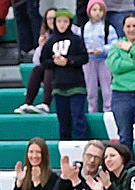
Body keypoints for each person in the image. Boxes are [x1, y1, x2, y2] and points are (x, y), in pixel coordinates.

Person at [108, 13, 135, 171]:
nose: (132, 29)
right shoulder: (116, 45)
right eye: (128, 26)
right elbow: (115, 66)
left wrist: (130, 49)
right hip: (121, 96)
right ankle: (127, 172)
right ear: (123, 28)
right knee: (124, 138)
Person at [41, 9, 90, 140]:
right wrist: (54, 62)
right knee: (63, 121)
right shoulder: (50, 42)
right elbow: (43, 61)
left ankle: (83, 145)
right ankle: (66, 148)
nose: (62, 24)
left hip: (76, 85)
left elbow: (84, 57)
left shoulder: (76, 40)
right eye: (59, 21)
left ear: (70, 22)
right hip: (58, 87)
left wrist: (69, 61)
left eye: (65, 21)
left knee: (78, 117)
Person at [15, 8, 59, 113]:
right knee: (37, 69)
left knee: (48, 69)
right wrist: (40, 47)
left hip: (66, 68)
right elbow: (37, 61)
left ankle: (46, 104)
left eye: (54, 18)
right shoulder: (46, 36)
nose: (51, 21)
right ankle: (27, 103)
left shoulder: (70, 33)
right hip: (52, 67)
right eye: (49, 19)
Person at [83, 0, 119, 112]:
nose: (97, 12)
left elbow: (114, 44)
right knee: (91, 89)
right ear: (89, 11)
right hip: (89, 61)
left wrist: (103, 50)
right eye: (94, 10)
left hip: (104, 61)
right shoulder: (84, 28)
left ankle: (108, 110)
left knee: (106, 88)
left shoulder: (108, 28)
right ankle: (92, 110)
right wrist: (86, 51)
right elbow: (80, 43)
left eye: (100, 10)